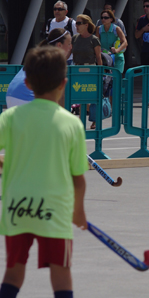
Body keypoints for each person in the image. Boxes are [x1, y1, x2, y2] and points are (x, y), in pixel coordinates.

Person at [0, 45, 88, 298]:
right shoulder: (72, 124)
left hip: (17, 208)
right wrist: (79, 212)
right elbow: (78, 180)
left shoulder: (11, 117)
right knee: (61, 272)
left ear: (26, 83)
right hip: (54, 210)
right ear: (63, 83)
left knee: (13, 271)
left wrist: (5, 165)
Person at [6, 28, 72, 108]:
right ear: (59, 45)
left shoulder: (40, 56)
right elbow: (58, 99)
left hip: (10, 95)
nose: (70, 47)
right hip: (27, 99)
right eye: (69, 44)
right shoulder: (54, 61)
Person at [72, 14, 102, 129]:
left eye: (79, 23)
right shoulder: (75, 38)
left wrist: (101, 74)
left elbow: (98, 58)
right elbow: (68, 55)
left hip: (90, 71)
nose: (77, 25)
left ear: (86, 25)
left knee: (89, 97)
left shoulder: (94, 39)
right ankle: (90, 118)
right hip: (77, 71)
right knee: (80, 97)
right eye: (76, 23)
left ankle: (93, 118)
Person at [46, 0, 78, 65]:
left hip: (68, 60)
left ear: (66, 12)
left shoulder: (71, 23)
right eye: (55, 9)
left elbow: (77, 40)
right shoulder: (50, 22)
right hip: (52, 59)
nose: (57, 11)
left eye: (60, 9)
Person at [97, 9, 127, 74]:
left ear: (111, 19)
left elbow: (125, 42)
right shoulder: (99, 29)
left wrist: (117, 50)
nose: (103, 19)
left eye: (106, 18)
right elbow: (97, 43)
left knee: (116, 79)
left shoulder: (116, 28)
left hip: (117, 58)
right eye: (102, 18)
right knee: (105, 80)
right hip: (105, 58)